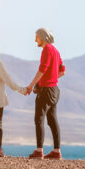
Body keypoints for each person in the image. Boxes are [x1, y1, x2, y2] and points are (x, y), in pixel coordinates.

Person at [23, 28, 65, 159]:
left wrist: (31, 85)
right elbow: (62, 71)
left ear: (43, 37)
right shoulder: (56, 51)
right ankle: (56, 151)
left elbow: (42, 69)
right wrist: (49, 80)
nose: (35, 40)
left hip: (46, 91)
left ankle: (39, 151)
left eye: (37, 37)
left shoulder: (46, 49)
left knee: (39, 119)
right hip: (54, 90)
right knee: (52, 120)